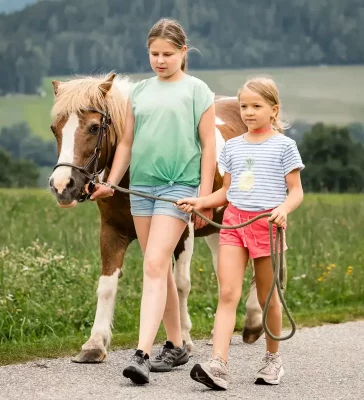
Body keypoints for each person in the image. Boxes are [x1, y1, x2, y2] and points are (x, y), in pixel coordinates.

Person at [89, 18, 216, 384]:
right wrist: (111, 183)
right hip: (142, 189)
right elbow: (126, 144)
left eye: (167, 54)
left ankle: (142, 354)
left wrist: (204, 197)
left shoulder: (197, 91)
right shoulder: (140, 93)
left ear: (183, 53)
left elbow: (209, 146)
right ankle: (176, 345)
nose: (160, 60)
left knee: (155, 265)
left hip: (179, 188)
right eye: (154, 54)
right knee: (157, 267)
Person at [177, 76, 304, 390]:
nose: (248, 112)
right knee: (228, 294)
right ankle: (218, 363)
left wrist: (284, 209)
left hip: (267, 228)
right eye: (244, 105)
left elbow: (296, 191)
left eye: (256, 106)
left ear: (273, 110)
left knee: (267, 299)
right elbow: (226, 192)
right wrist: (200, 201)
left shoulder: (284, 146)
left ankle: (272, 359)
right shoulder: (232, 147)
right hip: (234, 225)